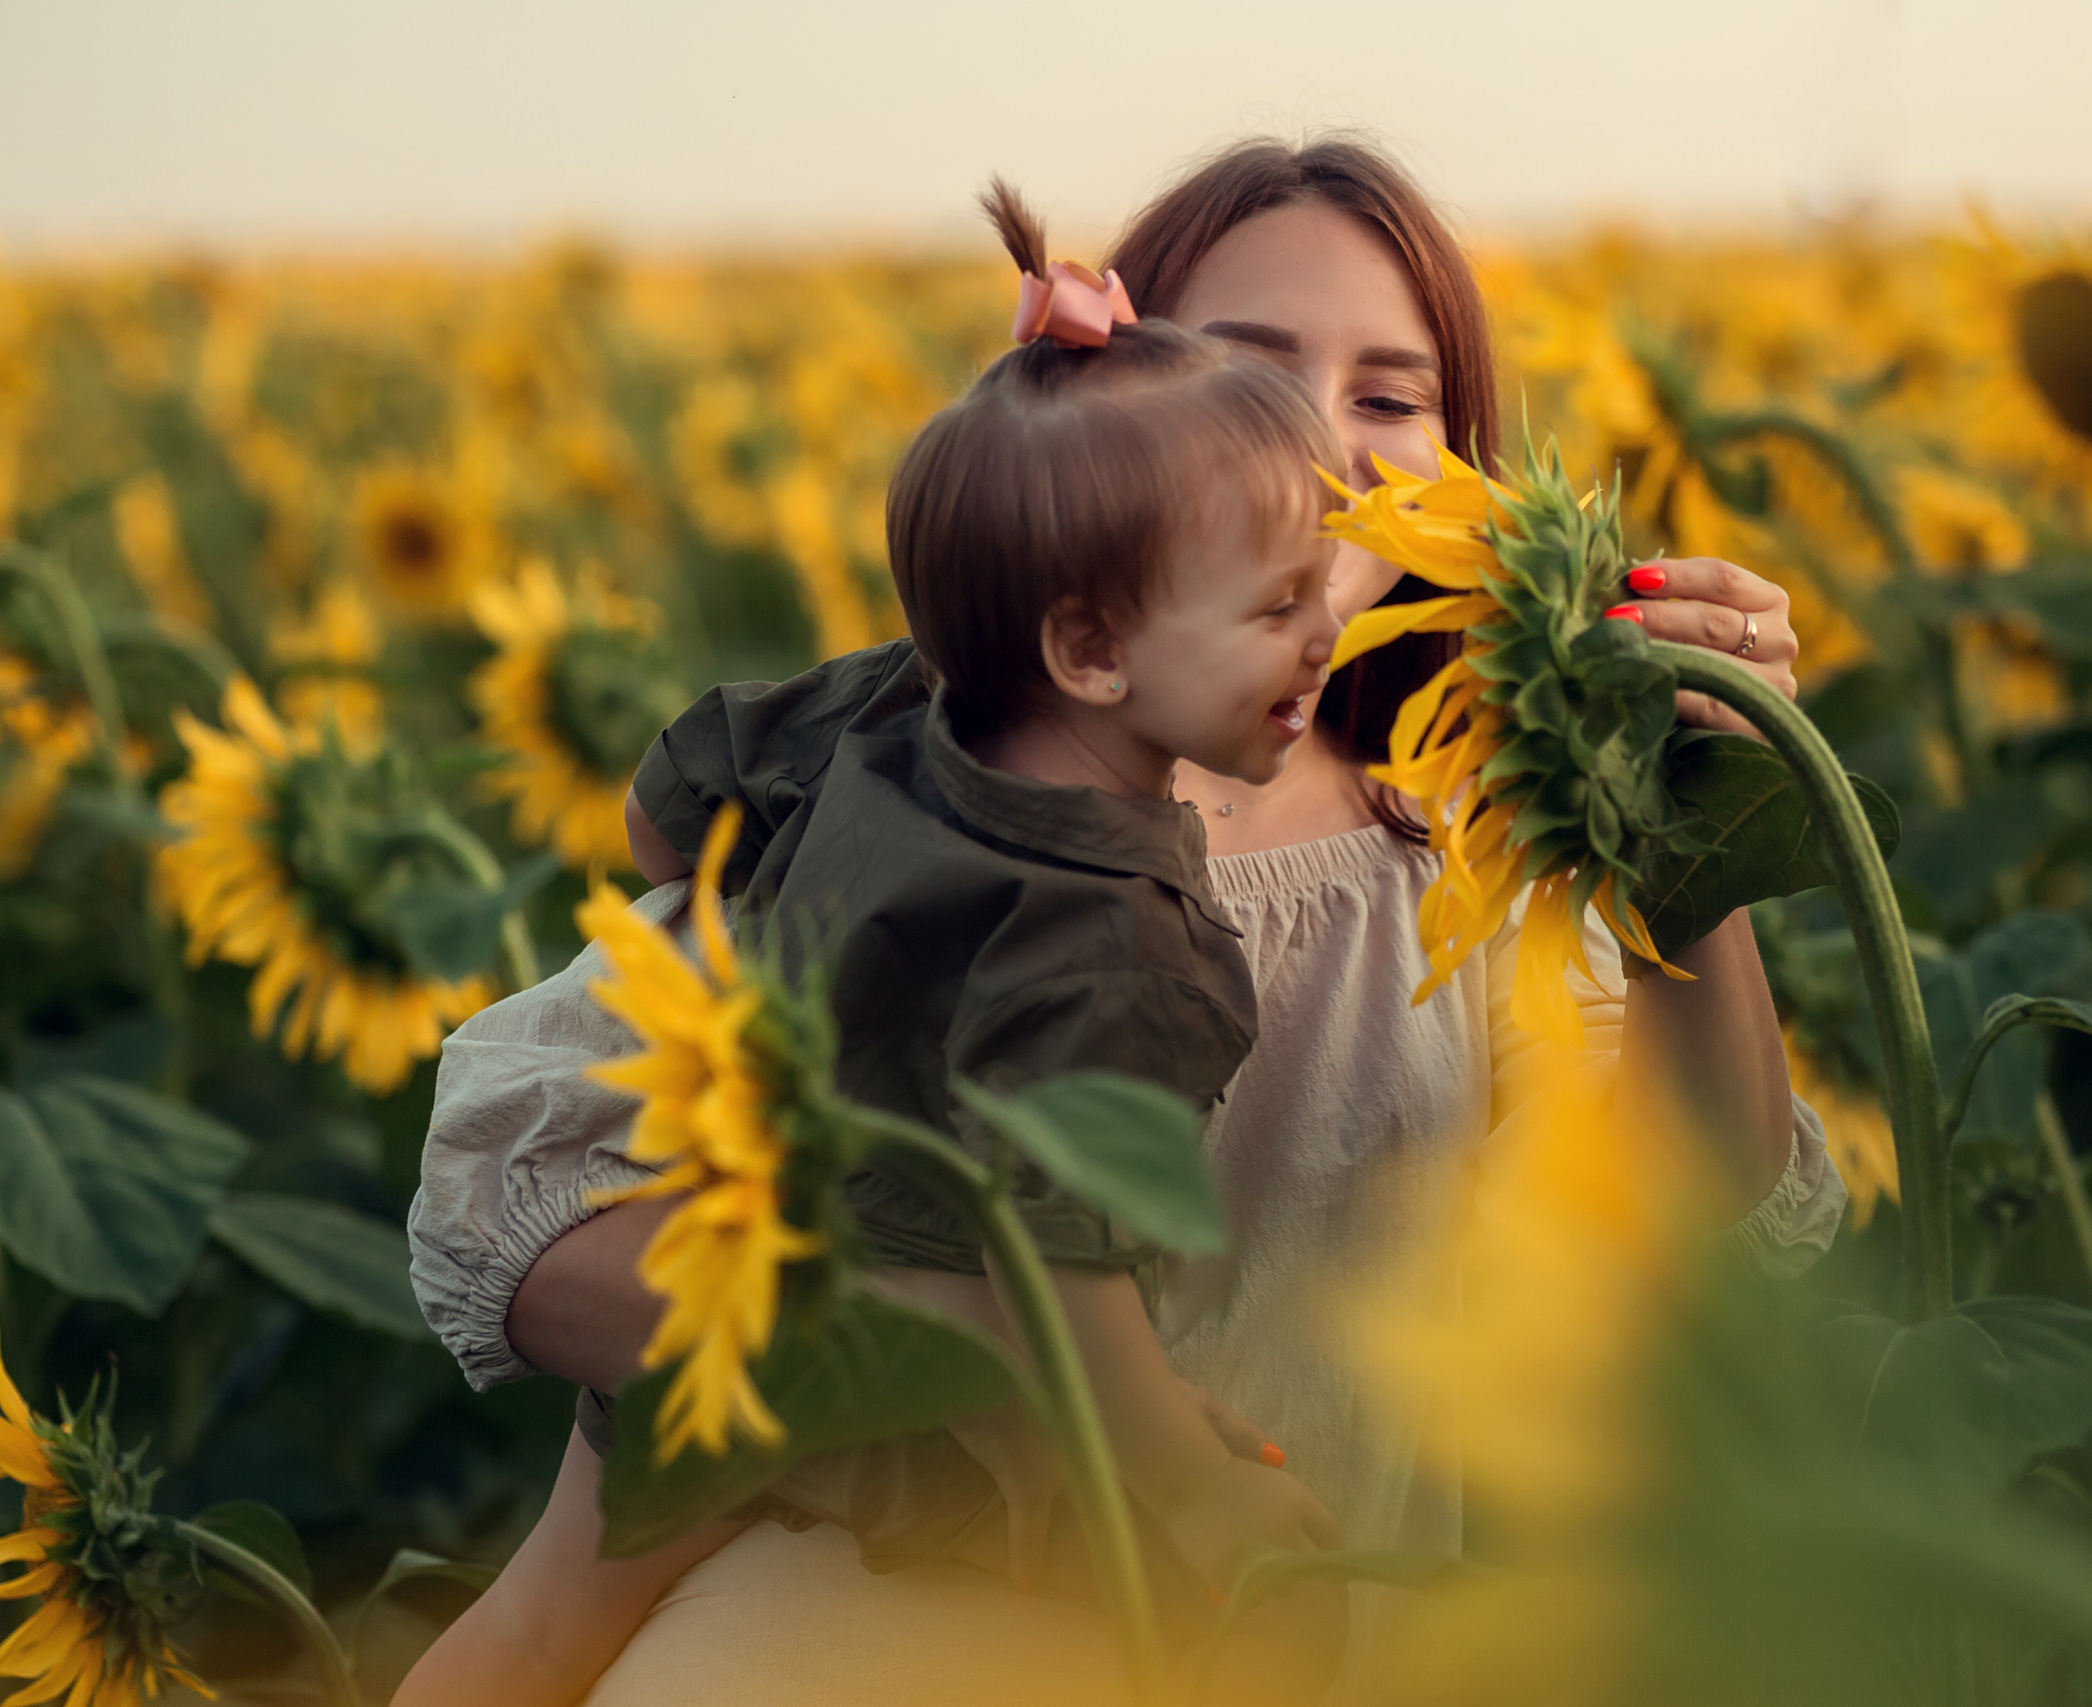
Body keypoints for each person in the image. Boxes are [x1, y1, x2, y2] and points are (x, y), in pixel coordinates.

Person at [409, 135, 1844, 1707]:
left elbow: (1690, 1220)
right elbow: (520, 1197)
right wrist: (995, 1352)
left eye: (1390, 396)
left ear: (1473, 467)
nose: (1322, 447)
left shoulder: (1474, 836)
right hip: (870, 1619)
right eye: (1251, 375)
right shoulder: (935, 790)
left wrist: (1683, 821)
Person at [396, 182, 1353, 1707]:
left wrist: (783, 934)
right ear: (1091, 651)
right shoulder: (1120, 939)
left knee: (536, 1628)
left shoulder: (896, 705)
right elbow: (1061, 1274)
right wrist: (1192, 1485)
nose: (1325, 637)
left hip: (708, 1228)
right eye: (1279, 605)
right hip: (864, 1341)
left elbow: (672, 805)